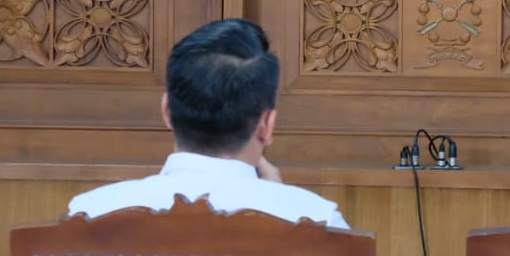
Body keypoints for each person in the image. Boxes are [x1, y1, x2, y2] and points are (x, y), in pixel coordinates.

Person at [68, 18, 349, 228]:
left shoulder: (90, 213)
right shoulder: (317, 221)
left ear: (166, 110)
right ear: (267, 125)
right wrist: (278, 198)